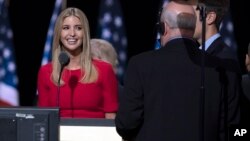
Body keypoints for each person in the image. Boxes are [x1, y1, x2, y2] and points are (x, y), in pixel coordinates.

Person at [115, 1, 239, 141]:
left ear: (164, 28)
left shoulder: (140, 64)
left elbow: (126, 124)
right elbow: (230, 127)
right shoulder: (219, 68)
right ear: (192, 28)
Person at [37, 7, 118, 119]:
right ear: (59, 34)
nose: (72, 33)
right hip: (57, 135)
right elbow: (43, 118)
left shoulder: (104, 70)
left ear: (85, 33)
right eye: (66, 28)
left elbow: (111, 116)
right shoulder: (46, 72)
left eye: (78, 28)